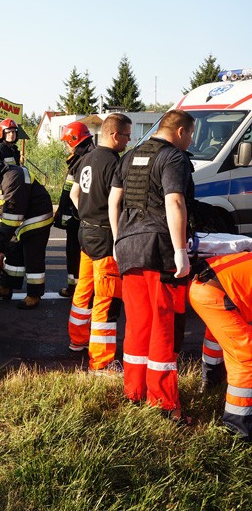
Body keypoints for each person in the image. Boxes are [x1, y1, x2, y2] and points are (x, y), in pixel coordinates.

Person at [108, 109, 196, 423]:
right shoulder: (173, 158)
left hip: (129, 249)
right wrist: (180, 251)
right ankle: (163, 404)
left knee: (138, 324)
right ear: (182, 131)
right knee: (164, 326)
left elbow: (113, 201)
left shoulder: (129, 156)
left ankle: (134, 393)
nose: (190, 141)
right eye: (191, 136)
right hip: (159, 252)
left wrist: (119, 241)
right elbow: (174, 202)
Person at [67, 114, 132, 376]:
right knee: (106, 298)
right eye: (127, 135)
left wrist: (86, 213)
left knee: (83, 290)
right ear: (115, 135)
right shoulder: (114, 163)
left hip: (85, 232)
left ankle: (77, 339)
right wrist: (119, 237)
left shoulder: (86, 159)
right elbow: (117, 203)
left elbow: (74, 193)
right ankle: (102, 362)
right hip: (105, 236)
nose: (129, 141)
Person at [0, 157, 53, 309]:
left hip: (37, 218)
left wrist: (1, 239)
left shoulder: (13, 177)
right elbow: (3, 213)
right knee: (12, 252)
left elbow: (13, 214)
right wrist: (1, 238)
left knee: (32, 257)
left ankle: (34, 295)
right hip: (20, 220)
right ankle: (6, 287)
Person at [189, 252, 252, 440]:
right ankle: (239, 427)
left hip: (205, 286)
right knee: (246, 357)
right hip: (216, 292)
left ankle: (210, 382)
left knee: (219, 335)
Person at [57, 122, 95, 298]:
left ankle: (80, 290)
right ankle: (74, 287)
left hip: (79, 217)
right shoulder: (80, 158)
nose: (66, 145)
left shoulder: (84, 159)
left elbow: (79, 192)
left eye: (67, 141)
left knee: (79, 254)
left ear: (74, 140)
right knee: (72, 252)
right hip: (73, 215)